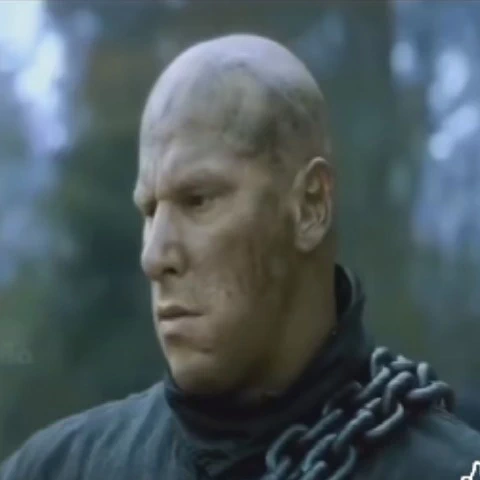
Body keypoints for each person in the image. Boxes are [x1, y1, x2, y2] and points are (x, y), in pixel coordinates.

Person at [1, 33, 479, 480]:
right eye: (149, 210)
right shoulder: (58, 469)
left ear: (310, 207)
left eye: (197, 200)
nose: (154, 256)